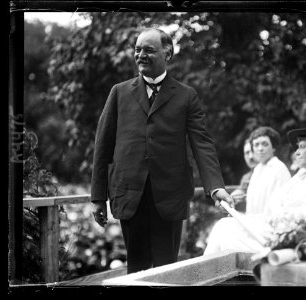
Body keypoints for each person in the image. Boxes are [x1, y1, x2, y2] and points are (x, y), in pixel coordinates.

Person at [90, 27, 233, 274]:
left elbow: (202, 144)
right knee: (136, 270)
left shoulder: (187, 96)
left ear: (167, 54)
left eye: (148, 50)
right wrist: (97, 197)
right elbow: (102, 146)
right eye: (137, 50)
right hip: (129, 194)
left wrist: (216, 187)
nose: (140, 55)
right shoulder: (119, 92)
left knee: (167, 271)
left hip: (170, 196)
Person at [204, 120, 306, 255]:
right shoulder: (303, 174)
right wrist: (275, 215)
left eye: (302, 147)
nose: (297, 152)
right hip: (272, 228)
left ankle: (204, 272)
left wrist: (285, 216)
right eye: (298, 147)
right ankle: (205, 271)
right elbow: (275, 201)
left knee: (226, 229)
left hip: (289, 239)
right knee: (226, 225)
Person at [244, 126, 291, 215]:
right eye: (256, 145)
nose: (260, 148)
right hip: (253, 221)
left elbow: (282, 202)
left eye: (265, 144)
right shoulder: (257, 169)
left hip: (271, 222)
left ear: (273, 147)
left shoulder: (279, 169)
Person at [230, 138, 258, 211]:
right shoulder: (246, 177)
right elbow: (240, 191)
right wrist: (230, 198)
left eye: (252, 151)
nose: (250, 157)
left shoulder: (270, 171)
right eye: (247, 153)